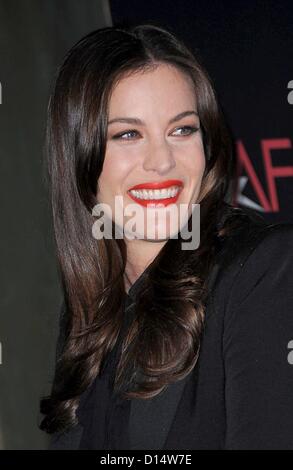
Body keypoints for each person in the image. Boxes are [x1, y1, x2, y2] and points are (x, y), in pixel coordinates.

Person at [39, 24, 293, 450]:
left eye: (182, 130)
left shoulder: (264, 271)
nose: (162, 162)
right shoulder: (90, 309)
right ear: (79, 156)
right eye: (128, 135)